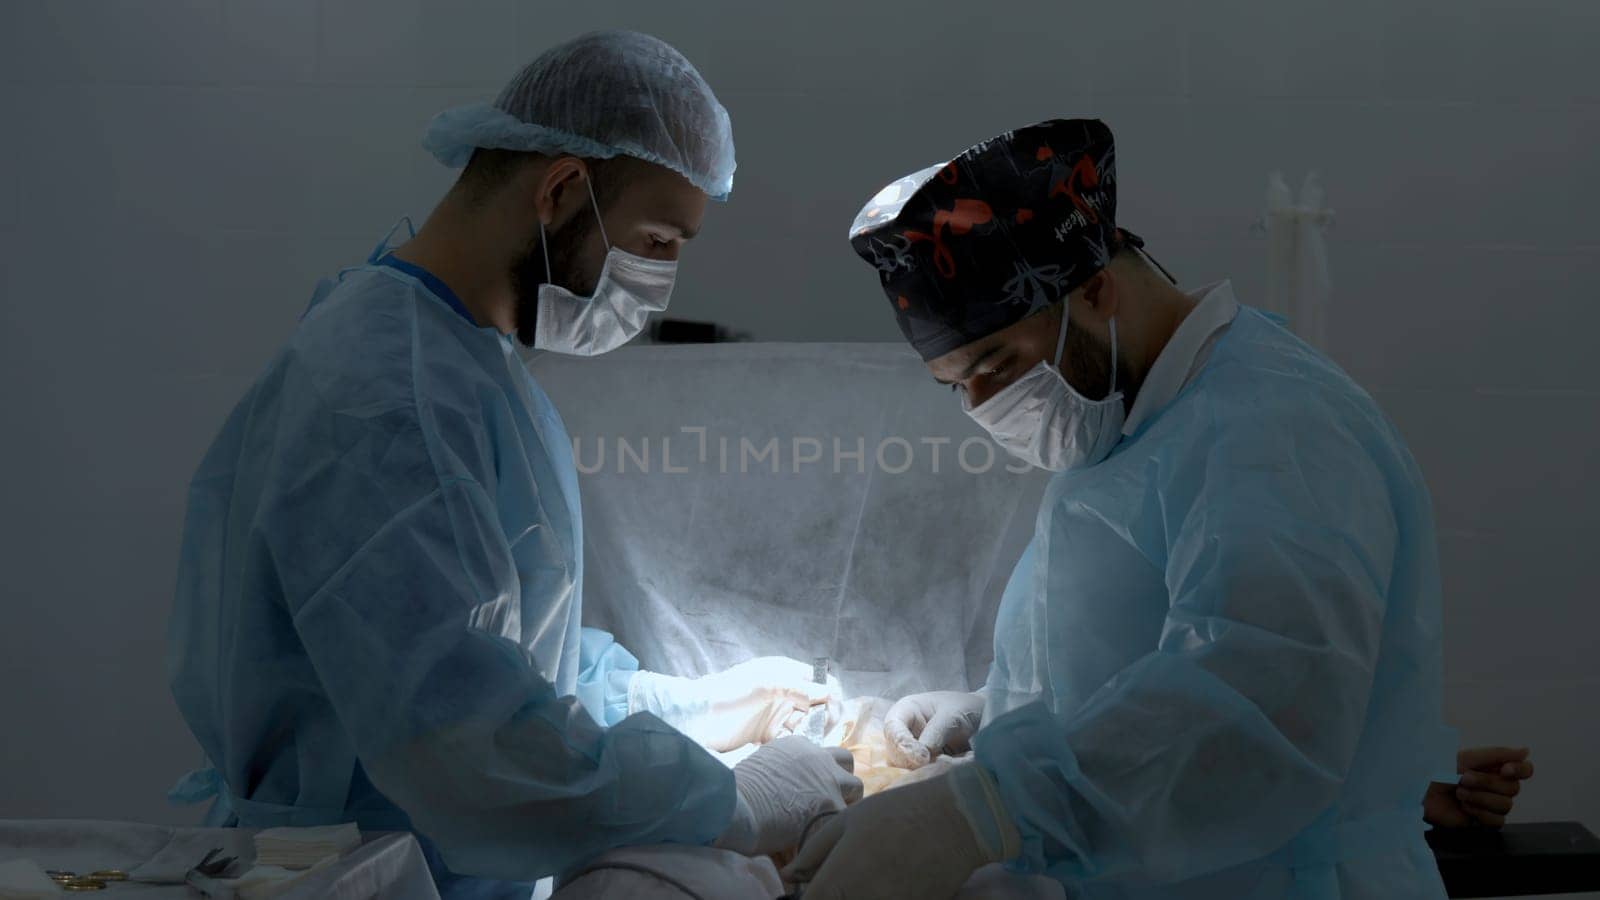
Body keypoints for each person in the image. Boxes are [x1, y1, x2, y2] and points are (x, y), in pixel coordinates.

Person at [166, 31, 858, 899]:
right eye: (657, 239)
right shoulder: (388, 400)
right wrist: (732, 800)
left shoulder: (468, 364)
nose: (660, 281)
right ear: (562, 188)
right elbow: (465, 746)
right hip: (367, 876)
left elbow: (521, 663)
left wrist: (708, 706)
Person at [787, 118, 1522, 898]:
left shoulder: (1275, 430)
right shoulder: (1125, 431)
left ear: (1097, 286)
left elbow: (1254, 709)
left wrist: (987, 808)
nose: (981, 404)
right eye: (956, 385)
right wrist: (995, 717)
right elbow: (1135, 668)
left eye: (996, 365)